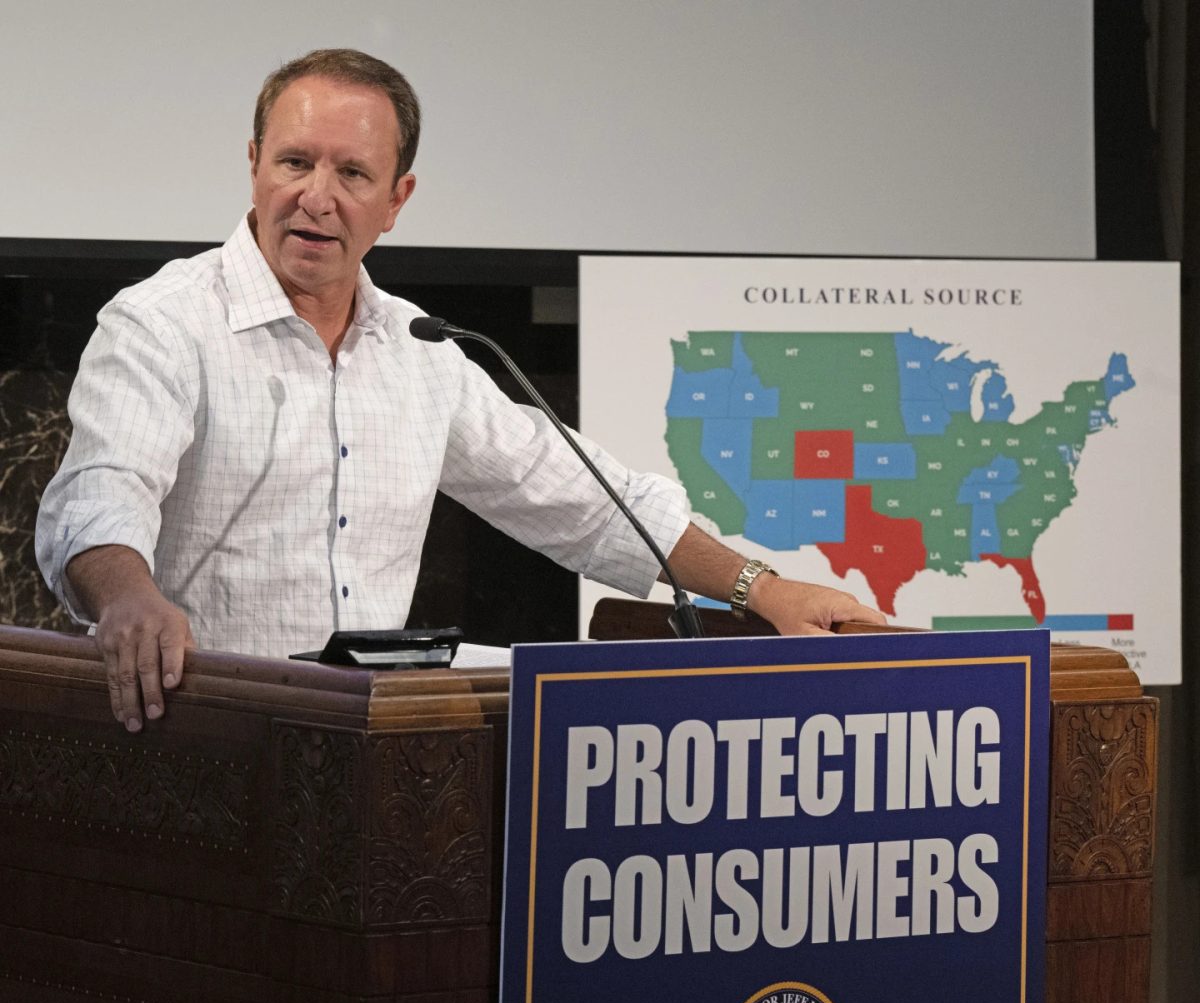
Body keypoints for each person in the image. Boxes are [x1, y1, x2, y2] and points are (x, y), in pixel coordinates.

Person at [36, 49, 885, 734]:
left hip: (367, 745)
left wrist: (762, 590)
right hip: (197, 729)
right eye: (294, 161)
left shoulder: (421, 351)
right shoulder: (162, 324)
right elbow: (101, 495)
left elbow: (591, 504)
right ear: (254, 164)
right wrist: (130, 596)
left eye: (353, 175)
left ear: (396, 200)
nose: (316, 197)